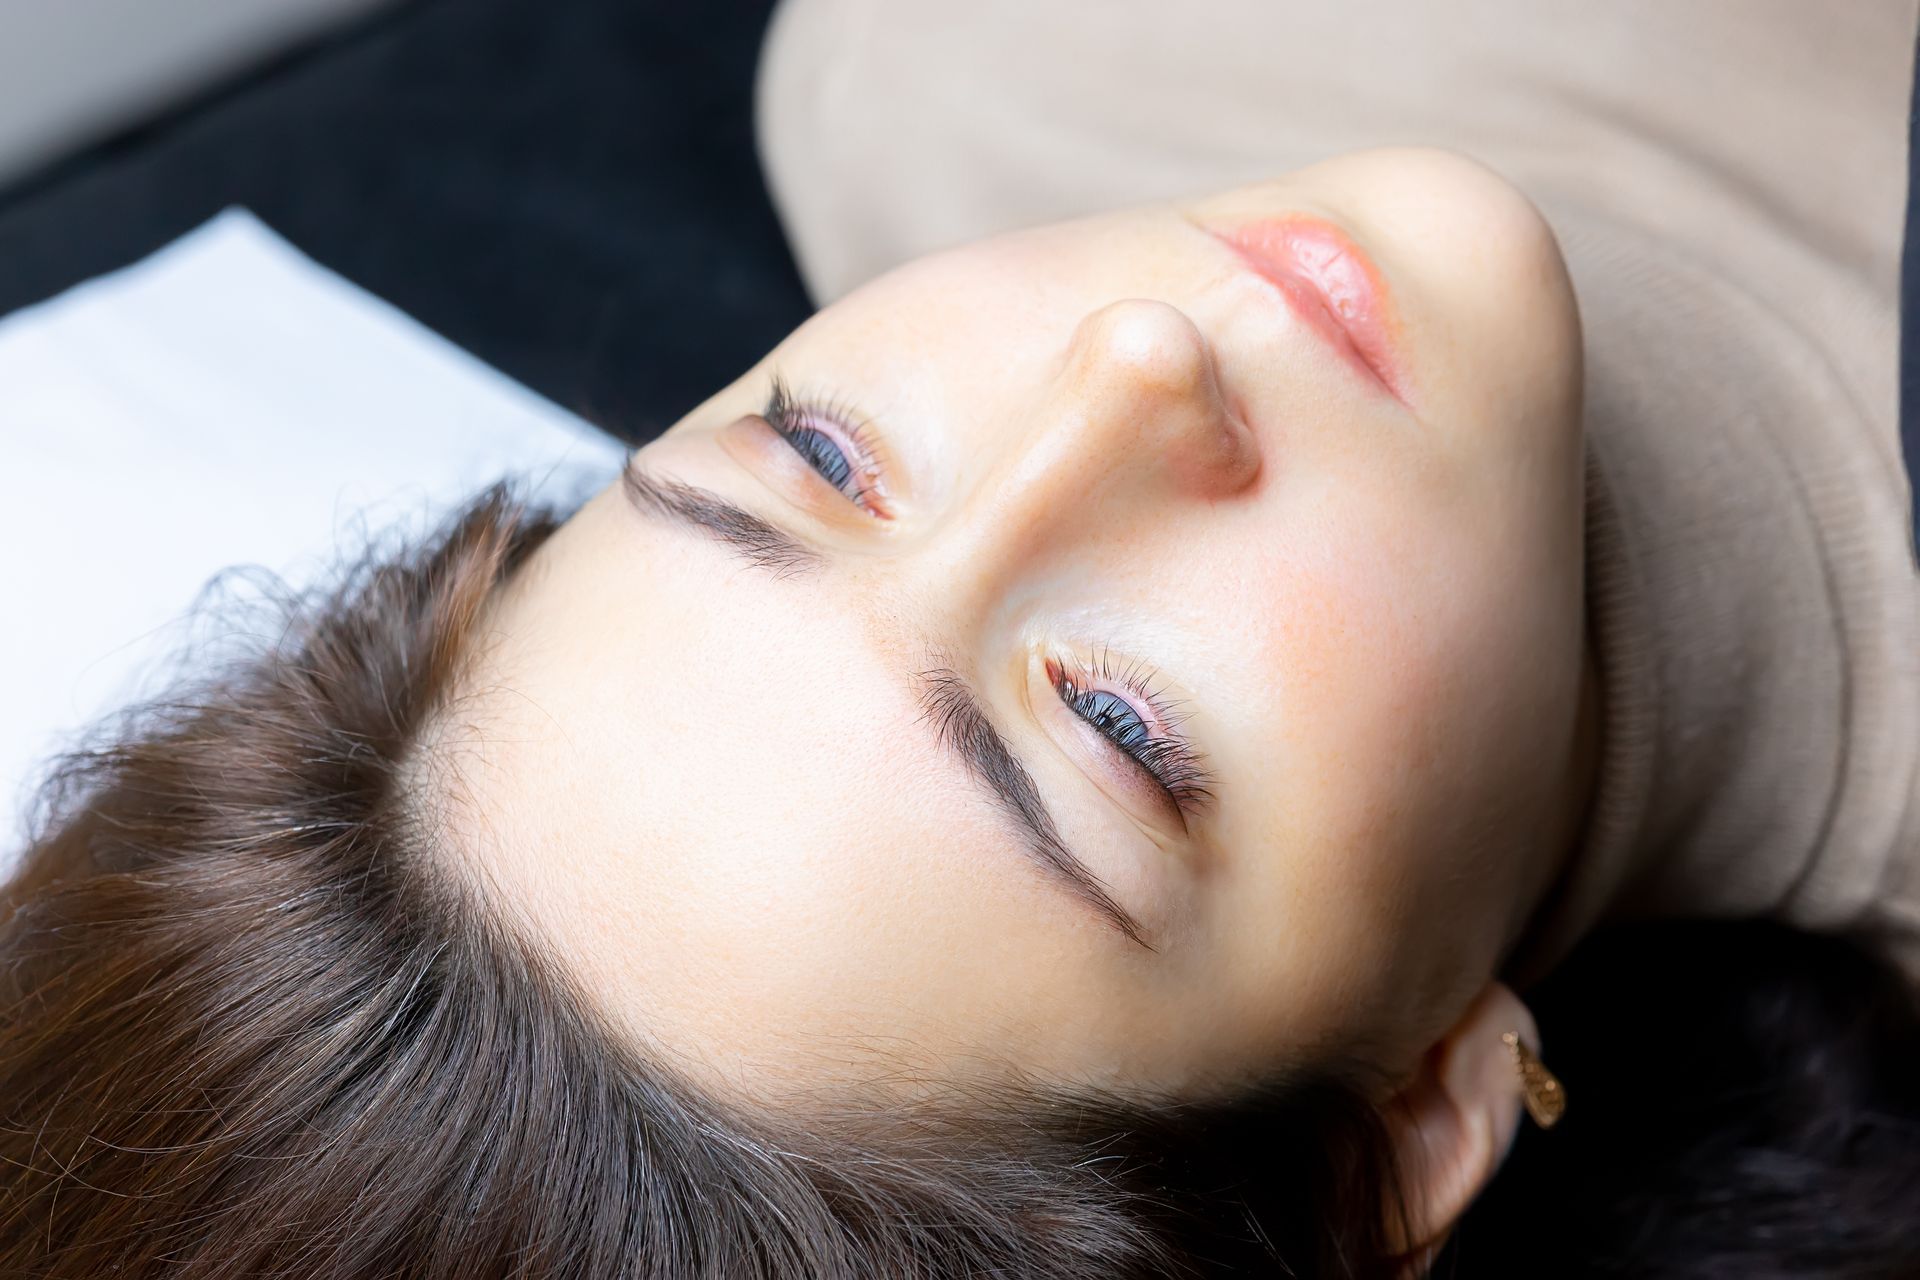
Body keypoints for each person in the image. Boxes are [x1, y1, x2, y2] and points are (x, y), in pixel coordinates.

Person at [3, 6, 1918, 1279]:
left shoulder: (960, 57)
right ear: (1410, 1127)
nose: (1130, 374)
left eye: (817, 455)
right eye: (1112, 727)